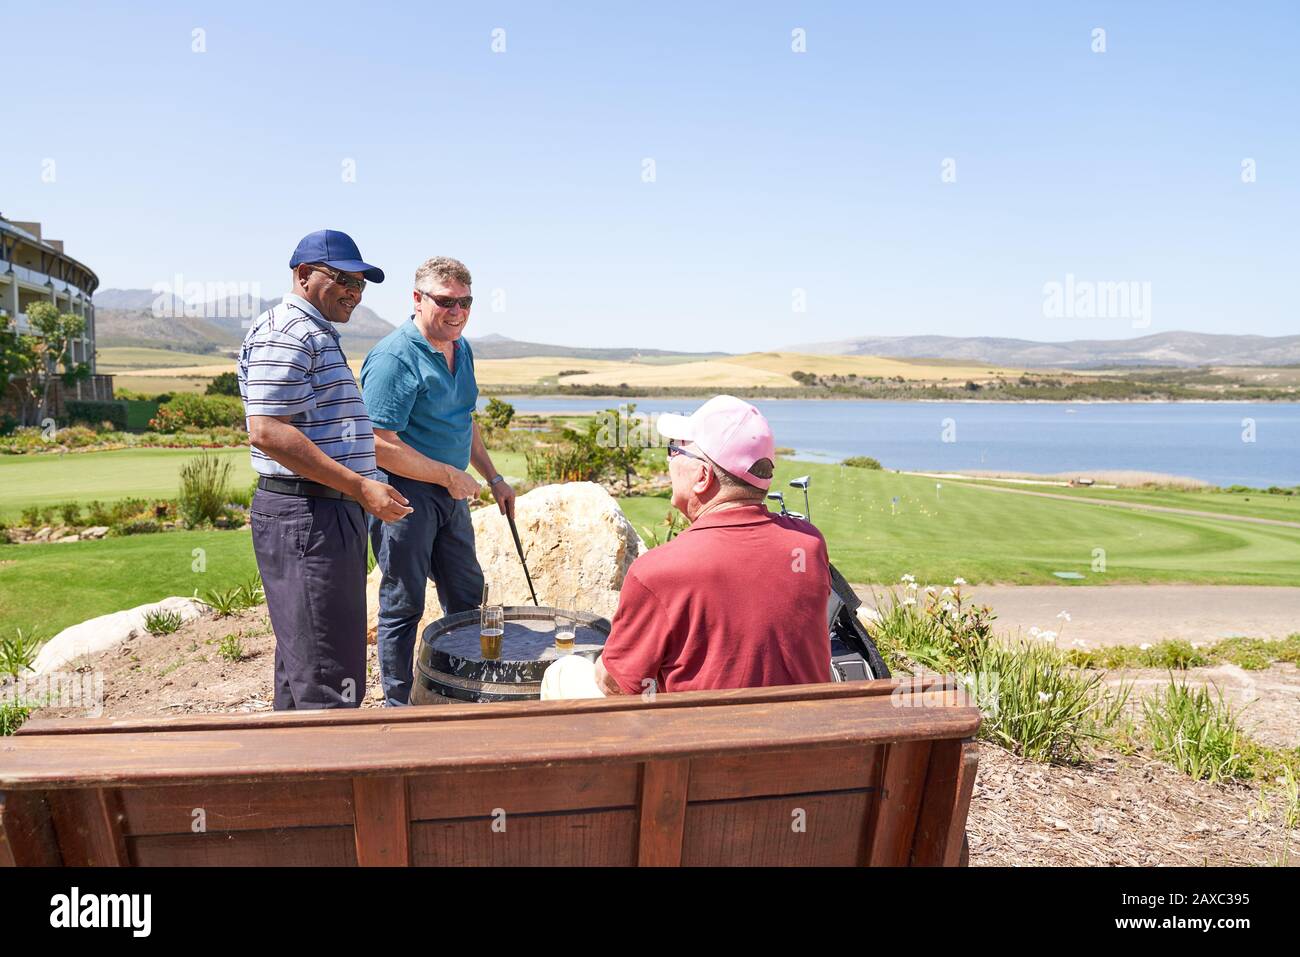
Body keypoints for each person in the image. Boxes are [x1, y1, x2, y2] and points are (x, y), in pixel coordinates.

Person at [238, 229, 413, 710]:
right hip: (308, 515)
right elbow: (268, 431)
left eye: (361, 284)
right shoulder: (289, 331)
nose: (354, 293)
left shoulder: (311, 331)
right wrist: (360, 486)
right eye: (342, 280)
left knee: (307, 669)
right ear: (302, 275)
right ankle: (333, 780)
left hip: (319, 513)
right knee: (328, 681)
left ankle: (295, 776)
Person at [593, 395, 831, 696]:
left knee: (563, 672)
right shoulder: (809, 546)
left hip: (702, 740)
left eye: (675, 451)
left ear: (703, 476)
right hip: (806, 737)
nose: (669, 461)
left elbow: (614, 684)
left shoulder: (658, 572)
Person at [361, 256, 516, 706]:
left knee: (467, 595)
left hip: (451, 493)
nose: (458, 311)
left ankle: (463, 691)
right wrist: (449, 475)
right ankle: (398, 706)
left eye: (466, 302)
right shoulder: (394, 357)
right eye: (446, 301)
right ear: (417, 298)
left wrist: (494, 476)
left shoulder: (461, 347)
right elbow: (376, 443)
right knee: (403, 603)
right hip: (402, 495)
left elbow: (463, 420)